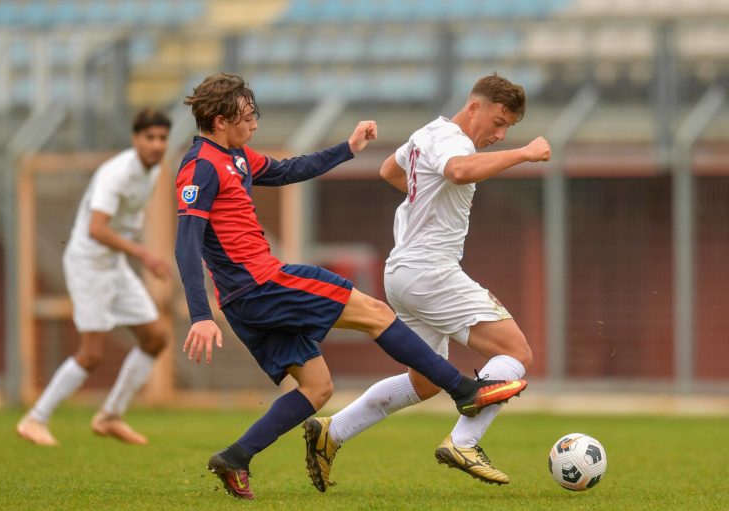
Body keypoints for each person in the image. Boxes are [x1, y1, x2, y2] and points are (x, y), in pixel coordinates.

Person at [174, 73, 527, 500]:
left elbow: (287, 170)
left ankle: (235, 457)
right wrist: (200, 316)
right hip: (261, 283)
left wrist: (347, 147)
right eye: (246, 117)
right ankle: (466, 391)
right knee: (376, 314)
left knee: (317, 387)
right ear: (218, 121)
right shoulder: (201, 166)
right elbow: (186, 244)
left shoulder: (236, 156)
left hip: (246, 298)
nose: (254, 124)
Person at [303, 73, 551, 490]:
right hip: (431, 272)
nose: (500, 135)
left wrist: (427, 196)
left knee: (425, 382)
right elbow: (458, 170)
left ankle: (333, 431)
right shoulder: (455, 142)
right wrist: (524, 153)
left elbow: (389, 169)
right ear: (475, 107)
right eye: (498, 123)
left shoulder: (427, 133)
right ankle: (464, 442)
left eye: (509, 129)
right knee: (516, 351)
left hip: (403, 273)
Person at [16, 109, 172, 447]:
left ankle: (110, 415)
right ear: (135, 139)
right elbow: (96, 228)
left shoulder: (154, 169)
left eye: (162, 138)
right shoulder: (116, 174)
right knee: (92, 354)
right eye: (150, 137)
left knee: (156, 338)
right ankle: (35, 419)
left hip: (114, 262)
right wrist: (143, 253)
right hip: (88, 263)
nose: (157, 145)